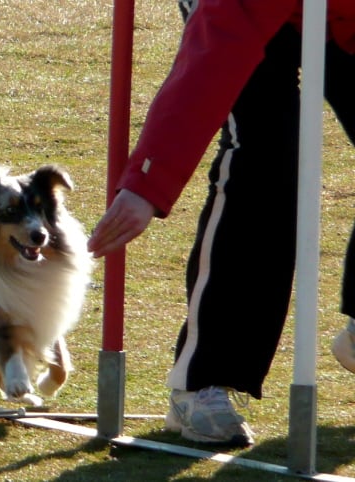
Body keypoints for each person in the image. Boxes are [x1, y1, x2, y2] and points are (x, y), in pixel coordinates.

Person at [87, 0, 355, 447]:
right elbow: (215, 50)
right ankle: (201, 382)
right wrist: (147, 185)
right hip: (237, 9)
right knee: (265, 154)